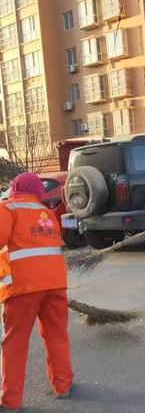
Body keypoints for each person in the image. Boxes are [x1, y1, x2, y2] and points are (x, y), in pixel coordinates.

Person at [0, 173, 73, 411]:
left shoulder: (8, 208)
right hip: (55, 285)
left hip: (23, 288)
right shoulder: (48, 214)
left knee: (15, 342)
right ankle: (63, 385)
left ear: (15, 188)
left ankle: (11, 400)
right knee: (56, 335)